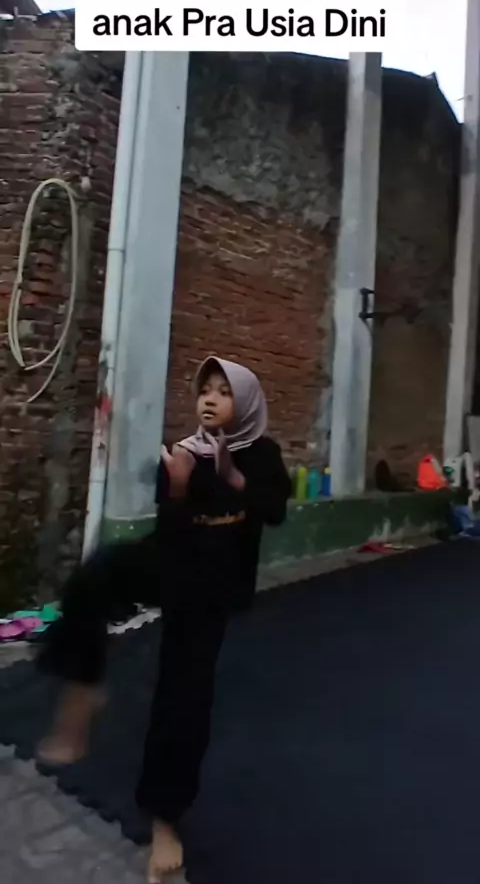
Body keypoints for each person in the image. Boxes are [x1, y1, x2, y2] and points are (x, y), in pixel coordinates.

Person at [37, 356, 291, 883]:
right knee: (96, 575)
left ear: (245, 402)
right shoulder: (183, 452)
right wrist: (177, 486)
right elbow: (172, 529)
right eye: (205, 389)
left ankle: (165, 819)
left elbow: (273, 511)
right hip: (171, 558)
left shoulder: (262, 455)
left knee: (184, 693)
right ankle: (85, 690)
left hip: (213, 583)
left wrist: (230, 474)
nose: (210, 398)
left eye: (223, 391)